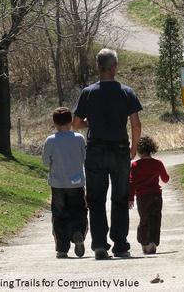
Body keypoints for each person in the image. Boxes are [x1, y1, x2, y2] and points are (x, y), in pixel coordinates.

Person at [72, 48, 142, 260]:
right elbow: (136, 124)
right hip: (119, 149)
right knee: (120, 198)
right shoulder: (126, 92)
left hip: (95, 150)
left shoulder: (88, 92)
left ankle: (100, 245)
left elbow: (76, 124)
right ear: (115, 67)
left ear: (98, 67)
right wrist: (134, 147)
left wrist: (90, 122)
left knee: (96, 199)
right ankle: (120, 245)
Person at [42, 107, 88, 259]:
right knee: (79, 211)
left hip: (58, 184)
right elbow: (84, 158)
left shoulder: (50, 140)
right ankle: (78, 232)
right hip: (76, 183)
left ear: (54, 123)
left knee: (60, 215)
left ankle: (62, 248)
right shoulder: (79, 138)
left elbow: (44, 161)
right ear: (71, 121)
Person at [129, 136, 169, 255]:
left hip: (142, 197)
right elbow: (165, 179)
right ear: (152, 149)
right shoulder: (158, 163)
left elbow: (132, 183)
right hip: (156, 195)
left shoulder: (135, 165)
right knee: (156, 219)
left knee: (144, 219)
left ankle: (144, 241)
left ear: (139, 151)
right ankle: (153, 242)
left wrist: (130, 198)